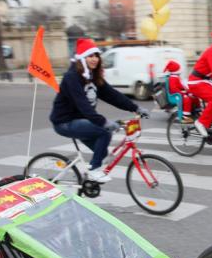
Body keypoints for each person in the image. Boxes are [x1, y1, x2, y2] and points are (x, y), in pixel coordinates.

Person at [50, 38, 150, 183]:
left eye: (96, 56)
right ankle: (94, 170)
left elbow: (112, 95)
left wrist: (135, 108)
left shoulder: (93, 77)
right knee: (104, 131)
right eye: (90, 56)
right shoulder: (71, 77)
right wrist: (103, 122)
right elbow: (82, 104)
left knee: (103, 153)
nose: (95, 59)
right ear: (82, 59)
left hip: (81, 120)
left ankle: (86, 182)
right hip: (65, 122)